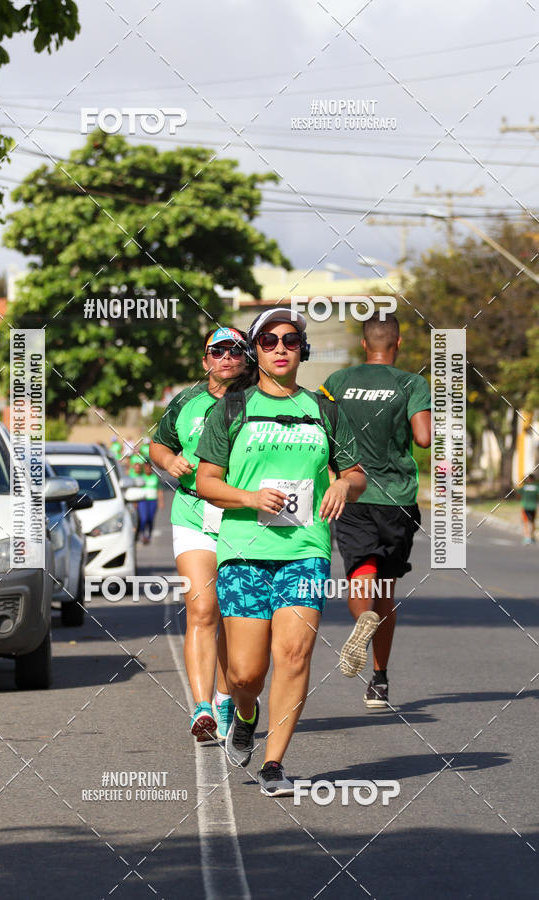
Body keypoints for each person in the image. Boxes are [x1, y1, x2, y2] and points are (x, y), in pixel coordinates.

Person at [196, 309, 365, 796]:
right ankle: (245, 712)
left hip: (306, 549)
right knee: (246, 672)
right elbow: (206, 481)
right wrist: (249, 498)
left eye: (290, 340)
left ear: (302, 349)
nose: (280, 348)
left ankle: (275, 764)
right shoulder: (231, 410)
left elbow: (356, 473)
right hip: (243, 550)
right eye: (268, 340)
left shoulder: (325, 410)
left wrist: (343, 489)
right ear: (257, 350)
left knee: (293, 654)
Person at [320, 311, 431, 709]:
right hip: (397, 497)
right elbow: (423, 437)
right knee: (386, 588)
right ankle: (379, 681)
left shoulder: (337, 382)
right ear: (397, 344)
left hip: (351, 493)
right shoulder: (412, 383)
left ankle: (360, 622)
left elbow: (319, 429)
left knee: (359, 573)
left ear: (365, 344)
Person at [150, 327, 248, 742]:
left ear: (248, 358)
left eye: (236, 350)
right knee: (203, 608)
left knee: (233, 614)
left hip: (242, 517)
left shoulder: (257, 400)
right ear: (206, 359)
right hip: (192, 512)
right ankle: (203, 707)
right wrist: (169, 460)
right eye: (218, 351)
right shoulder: (187, 401)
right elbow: (156, 444)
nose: (227, 357)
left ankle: (227, 698)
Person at [137, 461, 164, 544]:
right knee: (143, 519)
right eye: (146, 468)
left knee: (150, 519)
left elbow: (159, 490)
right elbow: (136, 490)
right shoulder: (141, 477)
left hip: (153, 500)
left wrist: (161, 501)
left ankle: (149, 536)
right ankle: (142, 535)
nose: (147, 469)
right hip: (142, 501)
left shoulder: (155, 478)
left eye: (149, 468)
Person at [519, 472, 539, 544]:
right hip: (533, 506)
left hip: (525, 506)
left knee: (526, 522)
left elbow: (518, 492)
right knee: (533, 522)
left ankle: (527, 537)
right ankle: (532, 536)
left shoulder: (525, 486)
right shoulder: (537, 486)